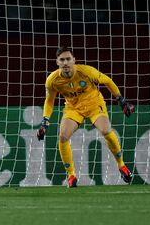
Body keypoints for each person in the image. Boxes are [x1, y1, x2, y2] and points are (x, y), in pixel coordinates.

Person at [37, 47, 134, 188]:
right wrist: (45, 121)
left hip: (94, 105)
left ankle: (122, 165)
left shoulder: (86, 71)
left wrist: (121, 100)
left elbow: (107, 81)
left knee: (106, 131)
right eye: (62, 59)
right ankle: (71, 175)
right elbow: (49, 101)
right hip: (73, 109)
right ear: (57, 62)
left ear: (74, 60)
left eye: (68, 59)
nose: (65, 63)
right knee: (63, 137)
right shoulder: (52, 80)